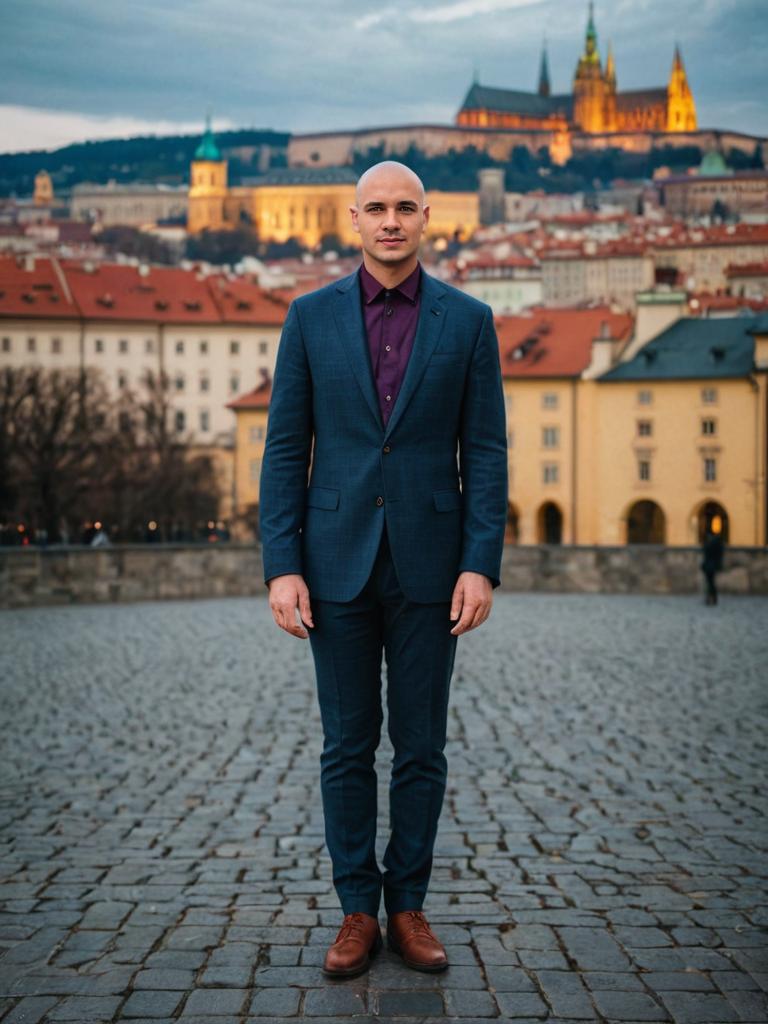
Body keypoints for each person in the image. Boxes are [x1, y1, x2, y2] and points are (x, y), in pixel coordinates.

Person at [260, 161, 507, 978]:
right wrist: (280, 565)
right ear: (353, 219)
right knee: (345, 745)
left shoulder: (468, 321)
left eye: (405, 208)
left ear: (428, 218)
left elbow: (487, 452)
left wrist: (481, 563)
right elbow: (287, 450)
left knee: (422, 746)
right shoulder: (309, 317)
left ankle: (408, 906)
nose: (391, 221)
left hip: (433, 566)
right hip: (332, 562)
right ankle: (356, 912)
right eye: (377, 208)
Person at [701, 524, 725, 605]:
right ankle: (712, 598)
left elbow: (707, 553)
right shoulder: (716, 543)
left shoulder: (712, 544)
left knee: (710, 583)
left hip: (710, 566)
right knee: (710, 582)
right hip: (711, 565)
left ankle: (711, 598)